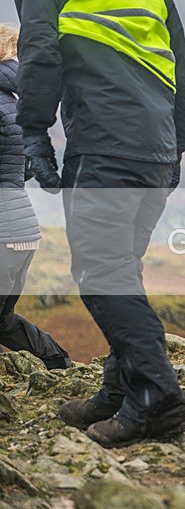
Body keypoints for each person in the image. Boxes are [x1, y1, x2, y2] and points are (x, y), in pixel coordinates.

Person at [15, 0, 185, 447]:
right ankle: (120, 390)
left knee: (101, 272)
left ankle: (159, 401)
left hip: (105, 149)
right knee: (122, 270)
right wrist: (173, 149)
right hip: (156, 154)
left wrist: (35, 132)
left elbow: (39, 51)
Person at [0, 23, 72, 371]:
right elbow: (25, 167)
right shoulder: (15, 103)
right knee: (3, 320)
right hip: (22, 233)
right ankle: (60, 365)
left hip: (4, 233)